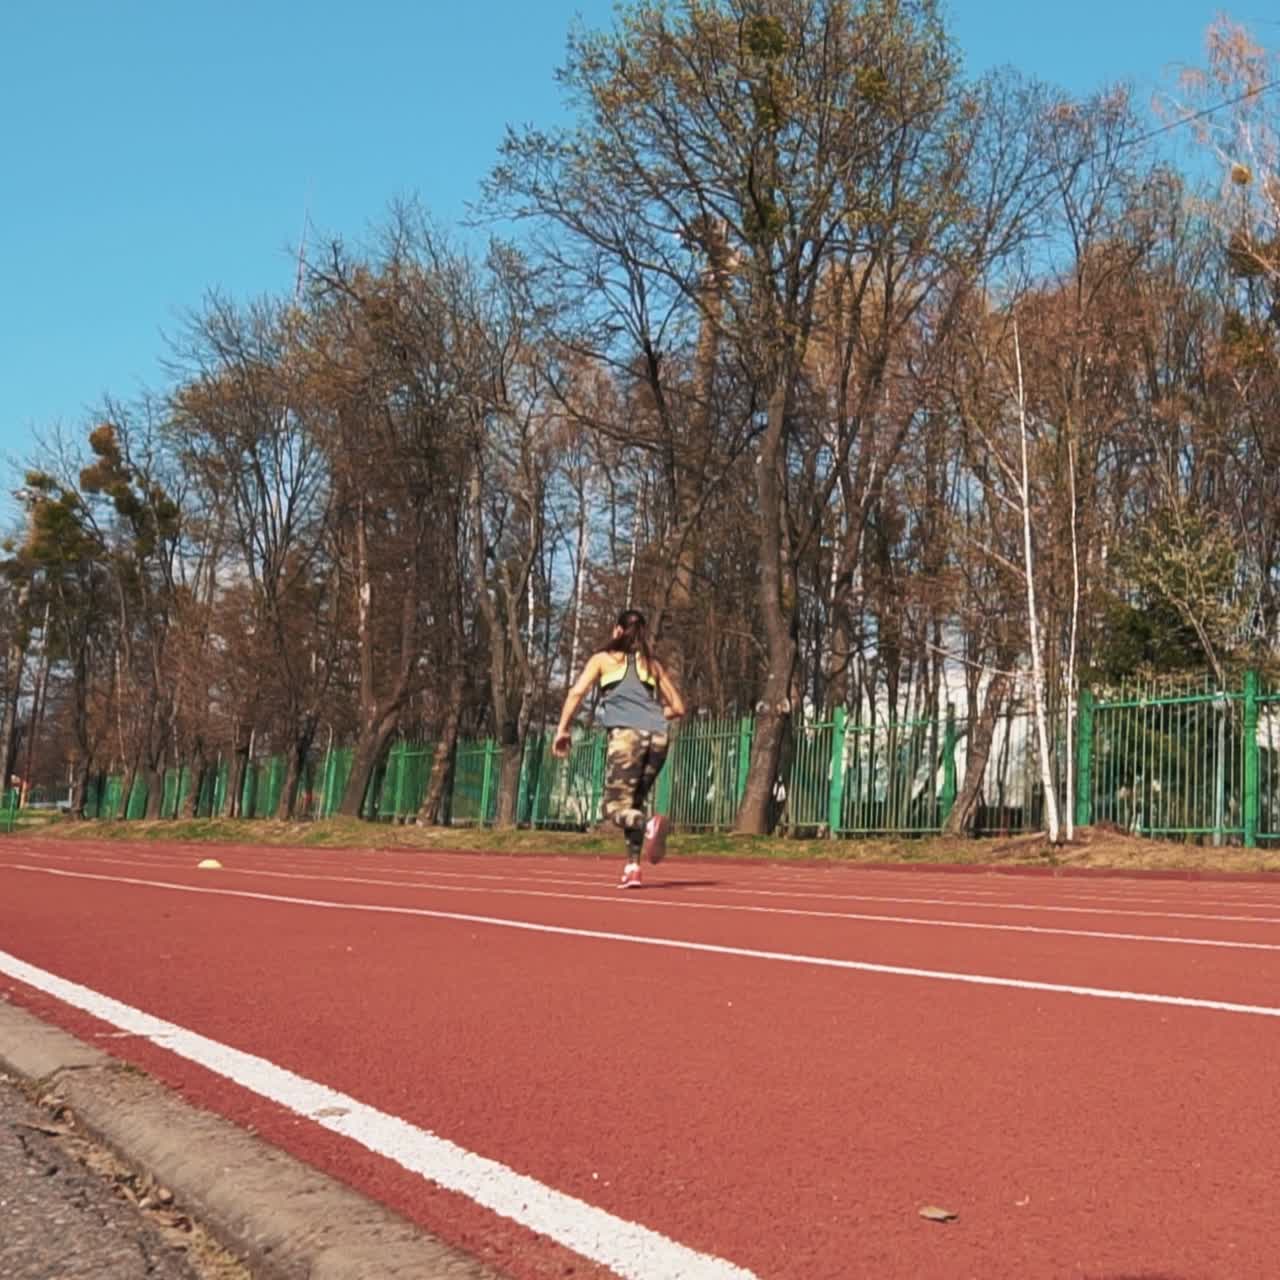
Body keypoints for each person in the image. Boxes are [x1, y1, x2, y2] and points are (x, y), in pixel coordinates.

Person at [553, 609, 685, 888]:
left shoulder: (602, 659)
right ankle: (633, 868)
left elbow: (577, 693)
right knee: (632, 803)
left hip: (627, 737)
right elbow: (678, 708)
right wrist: (652, 716)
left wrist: (563, 729)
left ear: (617, 630)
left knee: (612, 807)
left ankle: (650, 823)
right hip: (659, 737)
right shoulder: (652, 665)